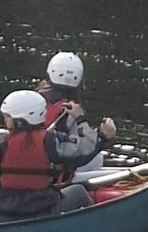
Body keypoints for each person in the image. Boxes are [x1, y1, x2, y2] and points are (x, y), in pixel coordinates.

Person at [0, 89, 102, 221]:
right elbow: (84, 151)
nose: (5, 120)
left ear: (19, 120)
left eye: (8, 116)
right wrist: (82, 120)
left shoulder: (1, 144)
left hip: (5, 214)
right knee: (79, 192)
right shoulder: (50, 140)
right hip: (42, 211)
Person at [38, 50, 117, 179]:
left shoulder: (32, 103)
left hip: (32, 168)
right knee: (97, 156)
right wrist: (102, 137)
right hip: (55, 178)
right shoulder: (72, 111)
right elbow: (83, 152)